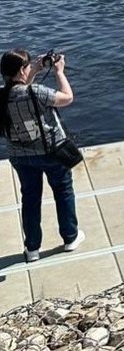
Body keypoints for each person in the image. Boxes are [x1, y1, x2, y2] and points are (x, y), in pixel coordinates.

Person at [1, 50, 83, 263]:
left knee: (30, 199)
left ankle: (32, 248)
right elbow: (67, 98)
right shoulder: (36, 92)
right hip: (51, 152)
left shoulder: (2, 95)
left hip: (20, 157)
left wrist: (35, 69)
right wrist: (59, 72)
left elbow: (17, 90)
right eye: (28, 66)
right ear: (21, 70)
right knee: (63, 192)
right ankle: (70, 238)